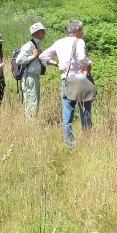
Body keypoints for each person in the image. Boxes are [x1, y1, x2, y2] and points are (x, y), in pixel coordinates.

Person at [39, 20, 92, 148]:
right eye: (82, 31)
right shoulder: (80, 41)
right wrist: (88, 65)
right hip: (81, 80)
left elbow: (42, 56)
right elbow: (82, 58)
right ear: (77, 31)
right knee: (85, 112)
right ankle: (87, 142)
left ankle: (70, 143)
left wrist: (58, 64)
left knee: (67, 113)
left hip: (66, 80)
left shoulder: (59, 42)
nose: (82, 33)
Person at [15, 22, 48, 118]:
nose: (44, 33)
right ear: (36, 33)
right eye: (42, 31)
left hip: (33, 76)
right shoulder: (29, 45)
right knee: (32, 100)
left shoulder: (35, 45)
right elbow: (19, 60)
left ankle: (32, 121)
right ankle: (31, 122)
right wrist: (32, 56)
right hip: (29, 76)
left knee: (35, 100)